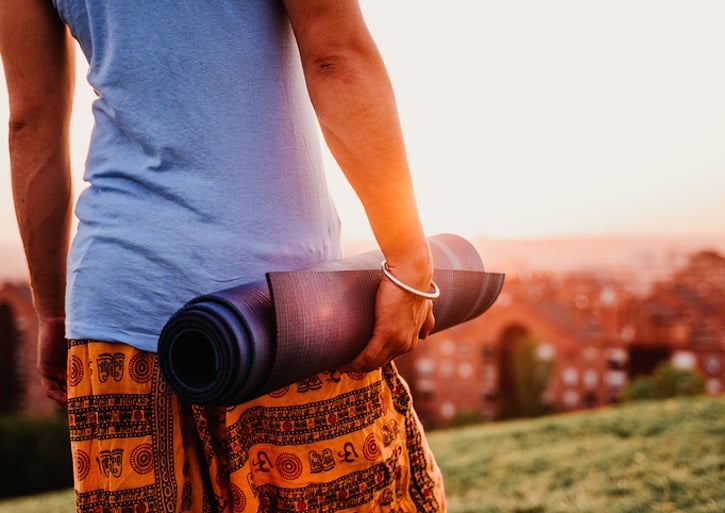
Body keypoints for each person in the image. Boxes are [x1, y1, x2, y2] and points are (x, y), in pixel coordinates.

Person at [0, 0, 446, 511]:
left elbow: (30, 124)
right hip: (282, 315)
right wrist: (409, 261)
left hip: (117, 316)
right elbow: (335, 56)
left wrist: (53, 312)